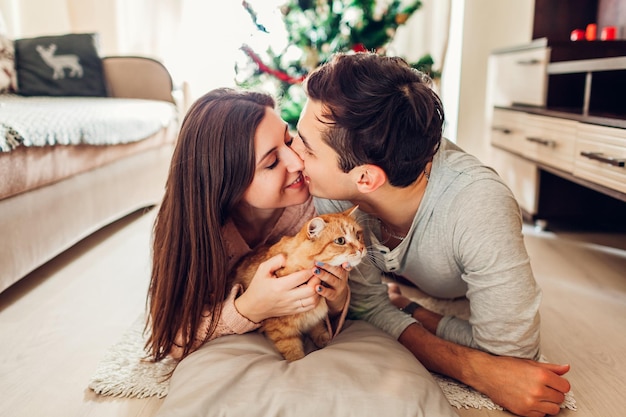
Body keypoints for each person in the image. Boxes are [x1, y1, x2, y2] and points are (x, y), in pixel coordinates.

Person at [290, 52, 571, 417]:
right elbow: (366, 306)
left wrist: (411, 310)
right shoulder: (335, 196)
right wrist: (470, 367)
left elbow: (510, 356)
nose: (293, 156)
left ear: (365, 178)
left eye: (306, 147)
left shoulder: (477, 204)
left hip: (449, 272)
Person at [145, 88, 350, 362]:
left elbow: (349, 296)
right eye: (272, 162)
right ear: (227, 183)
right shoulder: (198, 233)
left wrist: (337, 298)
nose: (296, 162)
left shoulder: (316, 209)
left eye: (289, 141)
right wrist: (249, 309)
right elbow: (175, 338)